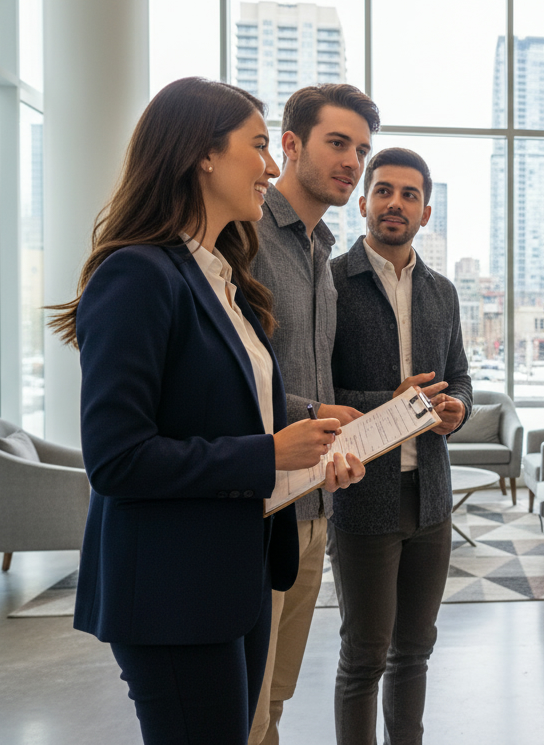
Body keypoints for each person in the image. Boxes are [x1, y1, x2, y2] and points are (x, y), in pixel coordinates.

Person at [49, 77, 365, 744]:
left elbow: (232, 425)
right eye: (259, 145)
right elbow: (117, 459)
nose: (272, 167)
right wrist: (270, 453)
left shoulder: (225, 280)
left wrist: (310, 460)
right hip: (172, 592)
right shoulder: (137, 274)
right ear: (203, 154)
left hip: (234, 577)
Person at [246, 83, 378, 745]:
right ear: (290, 145)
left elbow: (314, 376)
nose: (352, 161)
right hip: (259, 503)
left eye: (361, 150)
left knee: (276, 695)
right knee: (246, 705)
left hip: (315, 502)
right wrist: (313, 412)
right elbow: (235, 380)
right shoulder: (244, 237)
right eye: (337, 143)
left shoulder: (321, 250)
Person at [329, 147, 471, 745]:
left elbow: (460, 376)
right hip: (362, 497)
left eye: (409, 194)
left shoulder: (443, 292)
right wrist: (388, 405)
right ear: (363, 202)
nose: (395, 203)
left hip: (431, 498)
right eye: (384, 191)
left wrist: (456, 409)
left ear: (426, 212)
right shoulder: (331, 283)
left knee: (415, 651)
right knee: (365, 656)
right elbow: (315, 394)